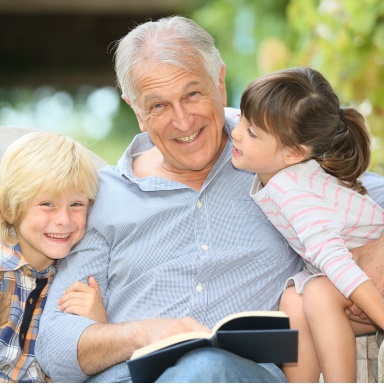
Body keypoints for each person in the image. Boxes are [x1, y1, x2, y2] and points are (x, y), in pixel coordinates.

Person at [35, 16, 384, 383]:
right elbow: (55, 348)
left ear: (219, 81)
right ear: (136, 110)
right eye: (158, 106)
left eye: (193, 93)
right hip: (130, 381)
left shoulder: (275, 156)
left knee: (207, 367)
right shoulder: (101, 197)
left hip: (241, 377)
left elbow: (366, 201)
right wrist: (145, 333)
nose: (183, 121)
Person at [231, 66, 384, 383]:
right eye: (242, 119)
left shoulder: (294, 192)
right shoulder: (289, 174)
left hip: (370, 279)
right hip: (357, 272)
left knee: (316, 293)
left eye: (251, 132)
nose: (235, 132)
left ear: (292, 153)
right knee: (292, 300)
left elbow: (336, 261)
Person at [0, 131, 106, 383]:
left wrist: (97, 327)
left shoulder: (73, 279)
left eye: (76, 204)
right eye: (47, 204)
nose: (64, 219)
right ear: (10, 208)